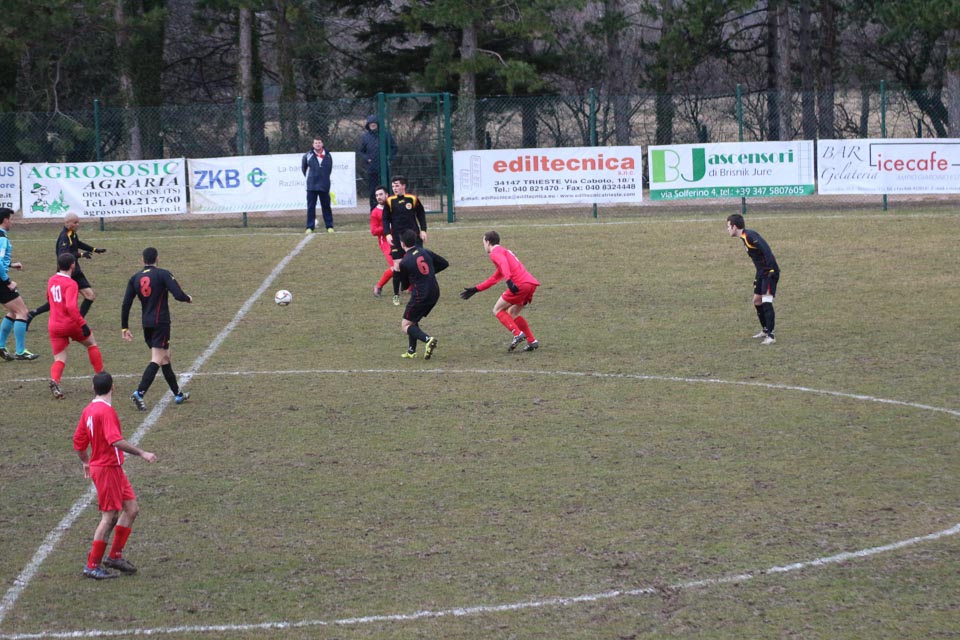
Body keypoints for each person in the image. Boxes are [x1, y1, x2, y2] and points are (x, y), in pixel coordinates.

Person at [74, 371, 158, 579]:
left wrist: (86, 461)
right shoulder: (106, 412)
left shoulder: (88, 410)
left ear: (93, 389)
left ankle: (114, 556)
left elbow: (79, 442)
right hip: (107, 469)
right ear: (113, 387)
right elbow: (115, 440)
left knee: (131, 509)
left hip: (112, 468)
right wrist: (142, 453)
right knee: (109, 516)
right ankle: (92, 565)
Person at [121, 247, 193, 410]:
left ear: (142, 260)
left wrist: (124, 327)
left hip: (147, 323)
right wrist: (188, 298)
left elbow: (126, 304)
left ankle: (178, 394)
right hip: (161, 322)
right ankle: (139, 393)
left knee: (165, 357)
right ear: (157, 258)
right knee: (157, 358)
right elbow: (178, 294)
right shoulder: (163, 274)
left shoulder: (135, 278)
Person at [460, 230, 541, 352]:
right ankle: (532, 341)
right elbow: (495, 278)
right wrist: (476, 289)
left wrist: (509, 281)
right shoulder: (504, 251)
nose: (483, 246)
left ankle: (517, 334)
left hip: (519, 284)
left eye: (483, 242)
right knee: (512, 313)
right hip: (530, 284)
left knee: (497, 309)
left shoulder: (495, 253)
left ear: (488, 242)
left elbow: (503, 264)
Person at [28, 212, 107, 327]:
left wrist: (95, 250)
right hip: (66, 273)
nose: (77, 224)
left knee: (90, 296)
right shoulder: (64, 237)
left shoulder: (72, 234)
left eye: (78, 222)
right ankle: (32, 314)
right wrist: (81, 255)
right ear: (67, 223)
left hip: (75, 271)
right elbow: (64, 255)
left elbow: (78, 244)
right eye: (75, 222)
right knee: (56, 301)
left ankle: (77, 323)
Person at [46, 253, 104, 399]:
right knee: (91, 344)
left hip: (54, 325)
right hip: (70, 323)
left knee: (59, 357)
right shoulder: (71, 284)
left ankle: (55, 381)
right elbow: (71, 307)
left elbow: (49, 299)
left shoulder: (51, 280)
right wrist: (82, 324)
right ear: (73, 265)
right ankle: (101, 380)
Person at [726, 213, 780, 345]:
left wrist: (771, 270)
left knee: (766, 301)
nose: (727, 229)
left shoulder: (750, 236)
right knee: (757, 300)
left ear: (734, 227)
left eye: (728, 226)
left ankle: (771, 336)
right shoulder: (744, 237)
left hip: (769, 272)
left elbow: (766, 250)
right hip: (761, 273)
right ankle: (765, 330)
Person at [397, 228, 447, 360]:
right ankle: (411, 351)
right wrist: (429, 274)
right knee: (413, 319)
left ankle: (428, 340)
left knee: (405, 325)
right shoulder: (425, 251)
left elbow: (405, 286)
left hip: (421, 295)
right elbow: (444, 263)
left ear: (402, 244)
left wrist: (400, 273)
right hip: (434, 291)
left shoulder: (404, 262)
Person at [0, 207, 39, 361]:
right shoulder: (2, 239)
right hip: (1, 282)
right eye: (11, 219)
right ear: (5, 220)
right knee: (23, 312)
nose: (12, 222)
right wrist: (7, 281)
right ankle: (20, 351)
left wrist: (10, 264)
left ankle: (1, 346)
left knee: (13, 312)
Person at [382, 175, 427, 306]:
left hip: (413, 237)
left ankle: (419, 291)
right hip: (397, 238)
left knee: (417, 263)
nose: (394, 188)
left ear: (403, 186)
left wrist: (423, 230)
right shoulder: (390, 201)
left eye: (397, 185)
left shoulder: (412, 199)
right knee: (397, 266)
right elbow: (385, 219)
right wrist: (387, 234)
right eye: (393, 186)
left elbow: (421, 214)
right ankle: (396, 295)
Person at [357, 114, 398, 210]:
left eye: (374, 123)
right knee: (373, 191)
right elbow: (361, 151)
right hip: (372, 168)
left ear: (378, 124)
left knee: (387, 189)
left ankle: (389, 210)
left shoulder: (386, 134)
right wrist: (367, 158)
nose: (373, 125)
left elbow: (394, 148)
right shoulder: (365, 137)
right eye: (371, 124)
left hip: (385, 168)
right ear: (368, 125)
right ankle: (374, 211)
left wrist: (389, 158)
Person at [301, 136, 334, 233]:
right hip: (312, 186)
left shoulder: (328, 155)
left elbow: (329, 169)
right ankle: (309, 227)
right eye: (315, 143)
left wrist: (324, 178)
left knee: (326, 206)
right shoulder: (308, 155)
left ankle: (329, 226)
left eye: (319, 143)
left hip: (324, 185)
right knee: (311, 207)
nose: (317, 144)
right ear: (313, 144)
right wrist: (312, 177)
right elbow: (304, 169)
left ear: (322, 144)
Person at [369, 185, 394, 297]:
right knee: (396, 266)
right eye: (377, 195)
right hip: (386, 242)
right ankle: (379, 286)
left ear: (387, 195)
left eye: (381, 194)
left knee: (408, 262)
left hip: (400, 240)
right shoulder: (375, 212)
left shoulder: (394, 206)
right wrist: (387, 227)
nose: (378, 197)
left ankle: (410, 287)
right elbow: (374, 231)